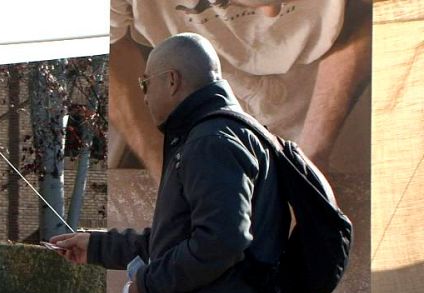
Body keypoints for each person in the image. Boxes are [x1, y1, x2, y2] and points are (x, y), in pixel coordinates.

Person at [52, 33, 290, 293]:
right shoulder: (215, 134)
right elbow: (173, 240)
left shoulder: (211, 139)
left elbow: (221, 242)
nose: (142, 95)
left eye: (146, 84)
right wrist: (97, 246)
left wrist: (148, 285)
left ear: (174, 81)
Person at [107, 0, 371, 179]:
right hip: (193, 92)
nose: (270, 14)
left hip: (323, 87)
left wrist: (313, 159)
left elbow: (373, 14)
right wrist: (164, 165)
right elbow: (111, 45)